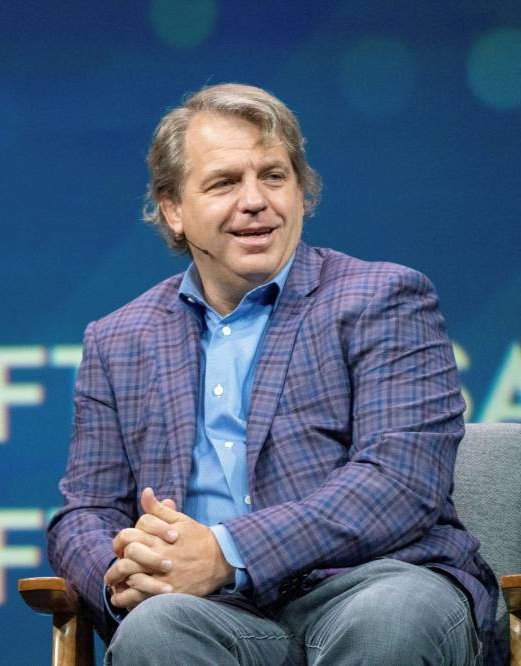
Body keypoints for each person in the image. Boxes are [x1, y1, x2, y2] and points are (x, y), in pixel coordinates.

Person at [46, 83, 504, 665]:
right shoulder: (118, 339)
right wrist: (125, 573)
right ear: (173, 209)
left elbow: (400, 481)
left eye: (273, 176)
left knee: (390, 620)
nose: (255, 200)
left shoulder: (384, 299)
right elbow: (85, 510)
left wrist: (225, 551)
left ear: (301, 191)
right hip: (211, 612)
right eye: (224, 183)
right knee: (155, 628)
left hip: (372, 584)